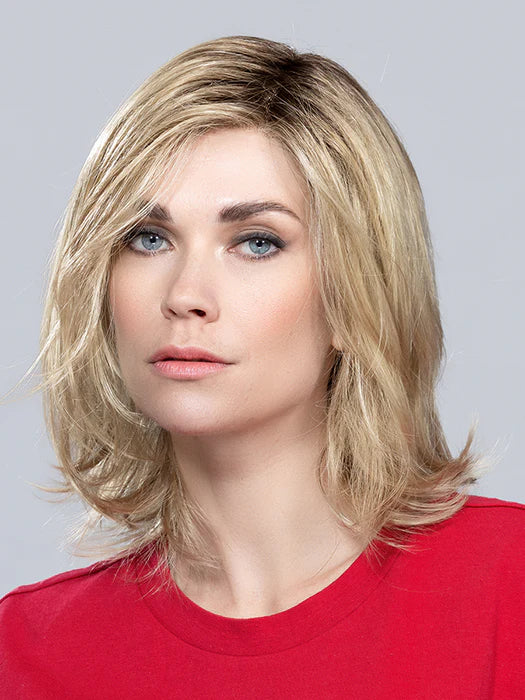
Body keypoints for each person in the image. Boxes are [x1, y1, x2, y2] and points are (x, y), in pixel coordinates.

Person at [0, 35, 523, 698]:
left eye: (256, 242)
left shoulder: (507, 588)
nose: (185, 295)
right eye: (149, 238)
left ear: (354, 294)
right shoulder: (27, 652)